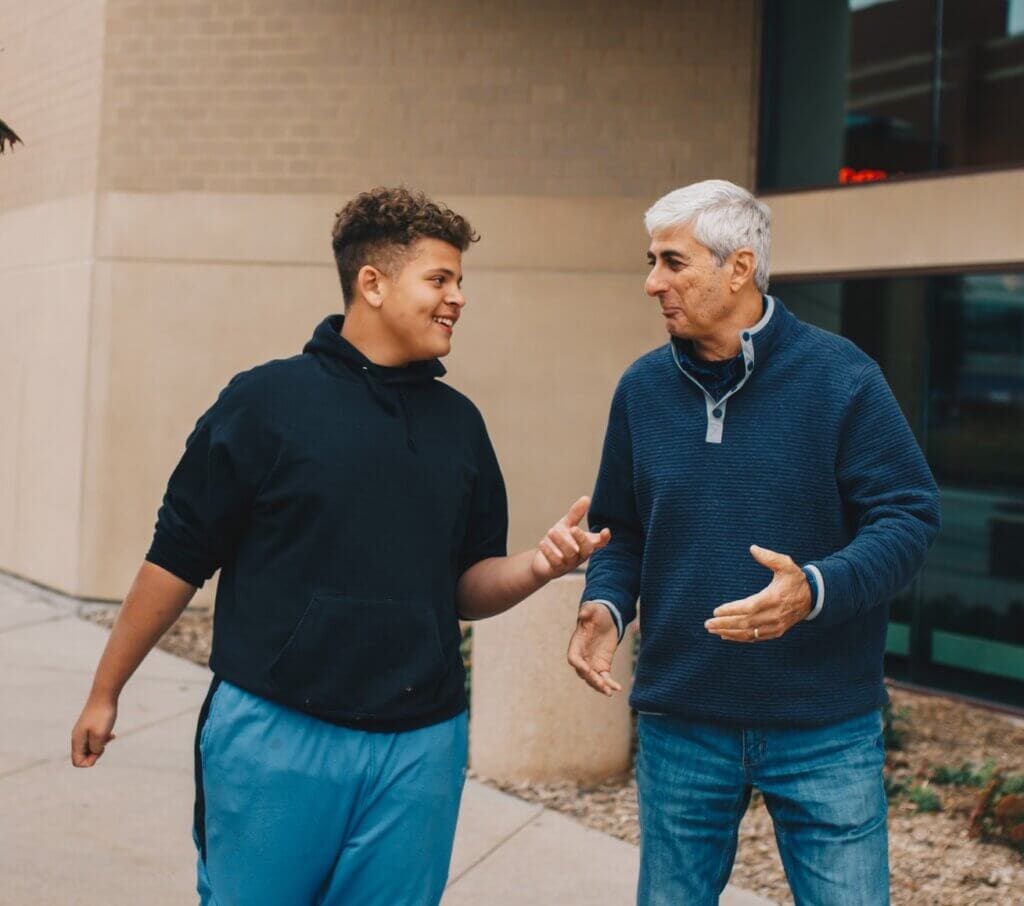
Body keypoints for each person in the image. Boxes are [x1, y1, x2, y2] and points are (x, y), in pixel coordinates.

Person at [71, 187, 609, 906]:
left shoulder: (460, 426)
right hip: (274, 732)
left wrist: (538, 568)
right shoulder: (263, 404)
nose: (458, 298)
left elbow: (466, 585)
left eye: (459, 281)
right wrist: (105, 692)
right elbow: (176, 557)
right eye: (440, 279)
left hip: (421, 744)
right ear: (373, 283)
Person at [567, 179, 940, 905]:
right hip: (682, 722)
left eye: (673, 262)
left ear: (738, 268)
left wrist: (814, 589)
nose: (653, 283)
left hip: (825, 727)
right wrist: (606, 604)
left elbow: (909, 517)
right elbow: (622, 530)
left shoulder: (843, 378)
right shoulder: (642, 389)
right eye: (652, 261)